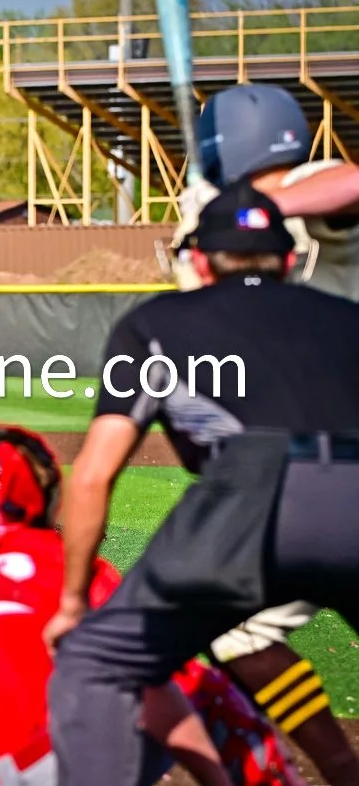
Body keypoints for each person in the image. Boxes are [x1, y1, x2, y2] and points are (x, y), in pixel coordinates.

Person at [43, 181, 359, 786]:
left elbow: (94, 476)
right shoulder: (348, 317)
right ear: (290, 260)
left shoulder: (154, 324)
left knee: (95, 661)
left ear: (199, 261)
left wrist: (73, 601)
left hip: (251, 496)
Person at [0, 423, 304, 786]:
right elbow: (159, 694)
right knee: (196, 685)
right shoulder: (75, 569)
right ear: (47, 500)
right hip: (52, 770)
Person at [158, 83, 359, 785]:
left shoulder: (307, 186)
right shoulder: (215, 214)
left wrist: (264, 205)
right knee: (239, 630)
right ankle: (343, 770)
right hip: (310, 470)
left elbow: (352, 183)